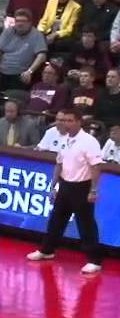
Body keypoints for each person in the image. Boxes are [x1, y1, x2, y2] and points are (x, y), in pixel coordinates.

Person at [26, 108, 105, 273]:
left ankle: (94, 260)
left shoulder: (89, 141)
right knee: (56, 219)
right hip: (65, 185)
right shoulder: (64, 139)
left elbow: (96, 167)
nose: (65, 124)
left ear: (78, 122)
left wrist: (94, 190)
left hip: (82, 186)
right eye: (63, 120)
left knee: (86, 223)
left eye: (69, 120)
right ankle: (47, 250)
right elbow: (59, 164)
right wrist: (54, 186)